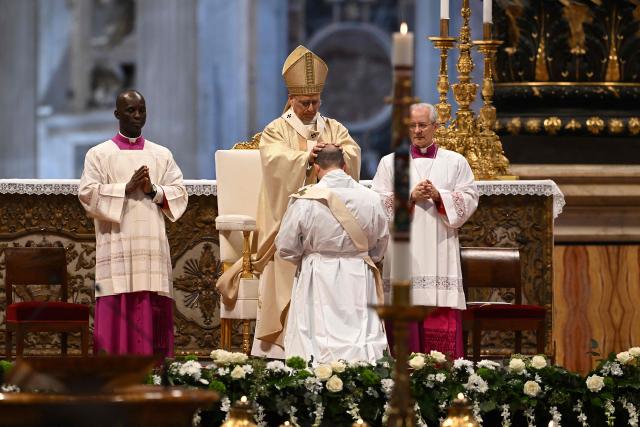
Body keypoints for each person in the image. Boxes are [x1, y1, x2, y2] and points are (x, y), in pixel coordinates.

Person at [217, 45, 361, 358]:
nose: (310, 108)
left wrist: (335, 153)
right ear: (291, 99)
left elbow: (353, 155)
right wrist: (305, 159)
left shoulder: (334, 127)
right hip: (286, 222)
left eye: (315, 102)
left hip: (327, 227)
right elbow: (274, 165)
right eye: (304, 102)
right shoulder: (276, 130)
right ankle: (278, 351)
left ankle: (327, 348)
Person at [78, 89, 188, 357]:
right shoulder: (99, 154)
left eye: (142, 110)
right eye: (131, 110)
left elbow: (180, 193)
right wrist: (124, 189)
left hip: (151, 243)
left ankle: (154, 371)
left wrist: (153, 190)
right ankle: (112, 373)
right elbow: (87, 194)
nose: (138, 115)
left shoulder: (161, 154)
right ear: (117, 114)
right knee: (117, 296)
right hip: (116, 242)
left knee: (151, 301)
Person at [371, 102, 479, 358]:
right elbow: (376, 202)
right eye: (412, 125)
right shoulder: (390, 163)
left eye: (422, 125)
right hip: (403, 249)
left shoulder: (455, 162)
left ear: (435, 126)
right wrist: (408, 197)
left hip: (440, 244)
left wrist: (440, 196)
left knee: (439, 310)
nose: (417, 131)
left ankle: (441, 379)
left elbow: (470, 197)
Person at [276, 145, 389, 363]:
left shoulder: (305, 199)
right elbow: (381, 242)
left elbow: (286, 246)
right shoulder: (371, 198)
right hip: (358, 274)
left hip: (316, 273)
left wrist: (308, 256)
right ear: (345, 167)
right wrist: (363, 257)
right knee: (360, 335)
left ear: (316, 168)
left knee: (315, 339)